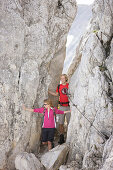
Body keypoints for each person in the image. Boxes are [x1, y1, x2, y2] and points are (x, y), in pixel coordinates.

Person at [48, 74, 70, 144]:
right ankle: (61, 137)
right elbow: (56, 94)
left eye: (63, 78)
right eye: (61, 78)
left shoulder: (69, 85)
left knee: (70, 122)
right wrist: (48, 91)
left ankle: (69, 137)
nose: (62, 79)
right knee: (61, 123)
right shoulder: (59, 86)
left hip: (69, 106)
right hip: (61, 106)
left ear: (66, 79)